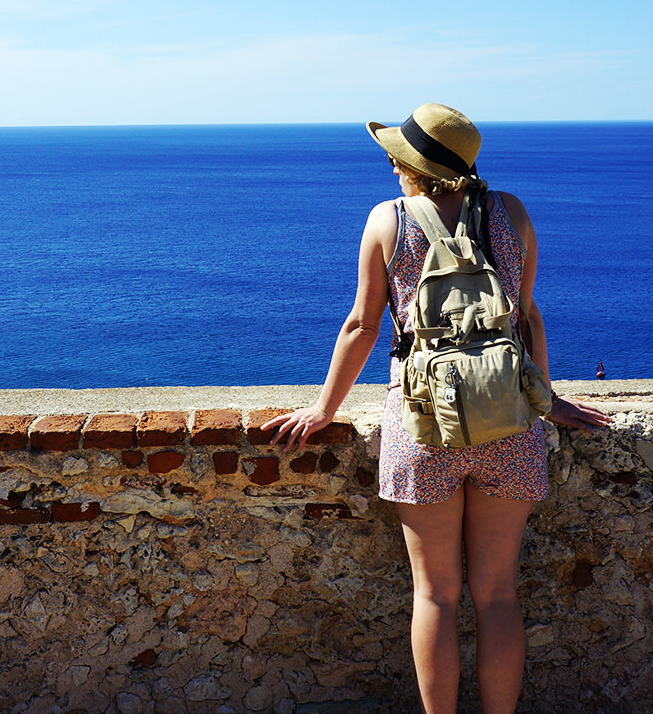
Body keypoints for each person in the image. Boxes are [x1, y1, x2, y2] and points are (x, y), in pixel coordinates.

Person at [261, 103, 612, 714]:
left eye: (396, 157)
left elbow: (361, 326)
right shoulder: (511, 213)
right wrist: (546, 400)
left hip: (423, 422)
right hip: (509, 420)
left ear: (409, 165)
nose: (391, 165)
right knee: (499, 594)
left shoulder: (388, 221)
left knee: (436, 596)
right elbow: (526, 317)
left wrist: (324, 408)